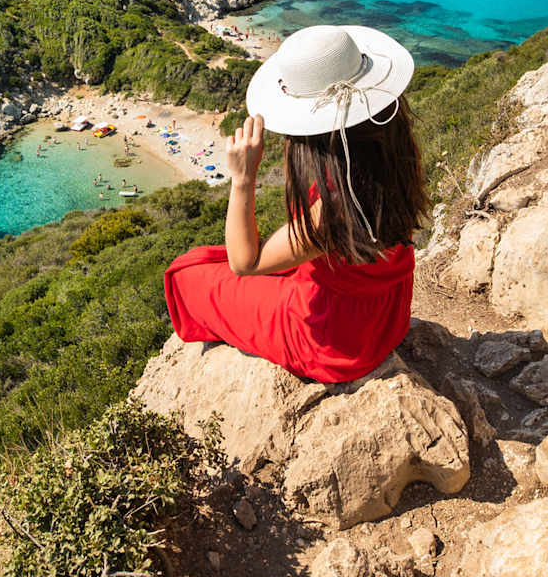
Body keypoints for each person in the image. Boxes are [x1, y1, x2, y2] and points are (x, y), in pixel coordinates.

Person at [164, 25, 428, 384]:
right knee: (215, 260)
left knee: (187, 274)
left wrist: (243, 178)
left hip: (337, 340)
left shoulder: (336, 208)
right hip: (386, 315)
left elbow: (247, 262)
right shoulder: (394, 149)